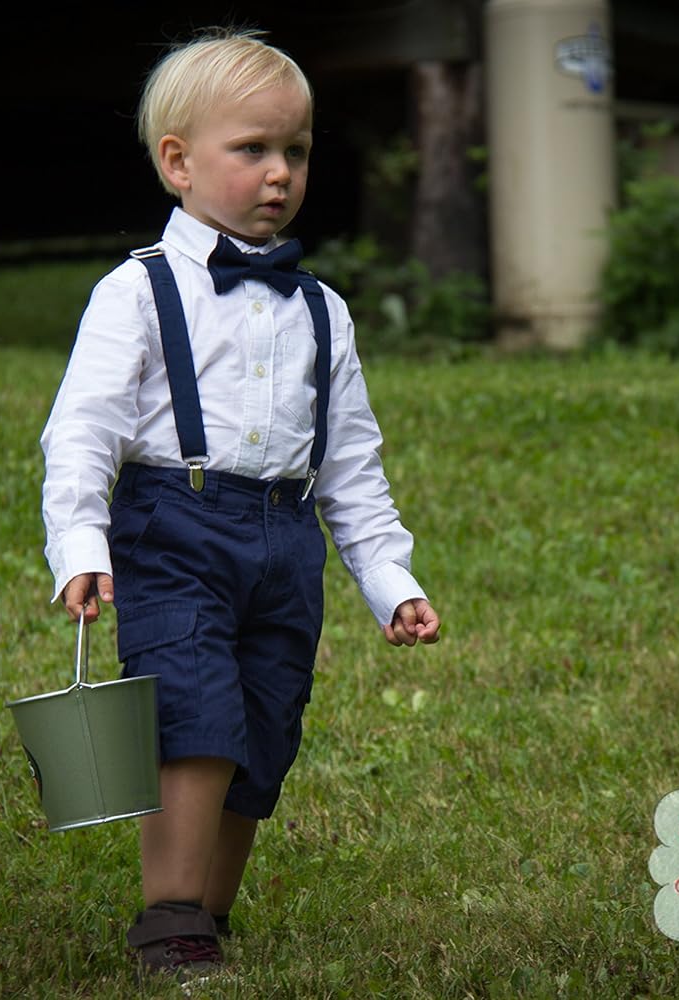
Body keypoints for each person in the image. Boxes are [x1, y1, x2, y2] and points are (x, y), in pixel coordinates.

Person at [38, 27, 440, 981]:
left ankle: (207, 917)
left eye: (295, 151)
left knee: (262, 730)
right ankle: (167, 915)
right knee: (193, 713)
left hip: (285, 543)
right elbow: (83, 428)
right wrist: (80, 543)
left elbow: (351, 463)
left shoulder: (323, 310)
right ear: (177, 162)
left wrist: (390, 580)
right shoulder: (136, 292)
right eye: (251, 149)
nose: (279, 173)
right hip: (171, 533)